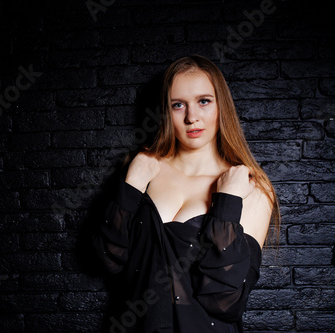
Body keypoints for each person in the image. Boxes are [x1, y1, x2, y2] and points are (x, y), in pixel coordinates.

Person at [93, 54, 280, 332]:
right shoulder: (142, 171)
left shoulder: (251, 188)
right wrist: (132, 183)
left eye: (204, 101)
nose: (192, 117)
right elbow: (108, 260)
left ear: (221, 107)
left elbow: (227, 302)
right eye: (178, 105)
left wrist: (226, 203)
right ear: (166, 112)